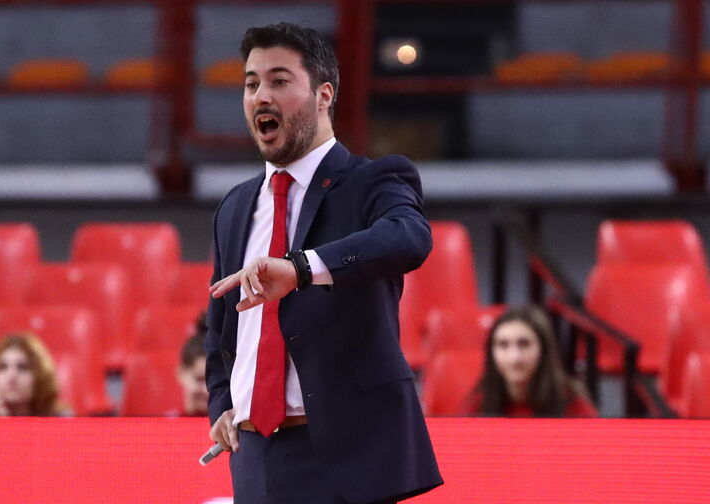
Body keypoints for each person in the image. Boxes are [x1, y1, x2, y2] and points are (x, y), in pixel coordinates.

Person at [205, 22, 442, 504]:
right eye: (251, 84)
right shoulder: (235, 206)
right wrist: (223, 404)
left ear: (323, 95)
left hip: (345, 458)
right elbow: (221, 326)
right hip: (254, 457)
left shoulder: (373, 180)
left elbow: (409, 238)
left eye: (279, 80)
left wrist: (302, 268)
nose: (260, 96)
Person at [463, 305, 598, 418]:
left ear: (543, 349)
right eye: (503, 345)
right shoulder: (478, 405)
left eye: (524, 344)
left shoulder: (573, 404)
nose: (514, 358)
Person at [0, 332, 70, 417]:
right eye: (2, 367)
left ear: (39, 376)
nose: (12, 376)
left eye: (22, 367)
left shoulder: (61, 420)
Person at [175, 314, 209, 417]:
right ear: (182, 374)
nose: (207, 390)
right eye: (200, 379)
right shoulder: (163, 424)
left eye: (217, 381)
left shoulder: (239, 426)